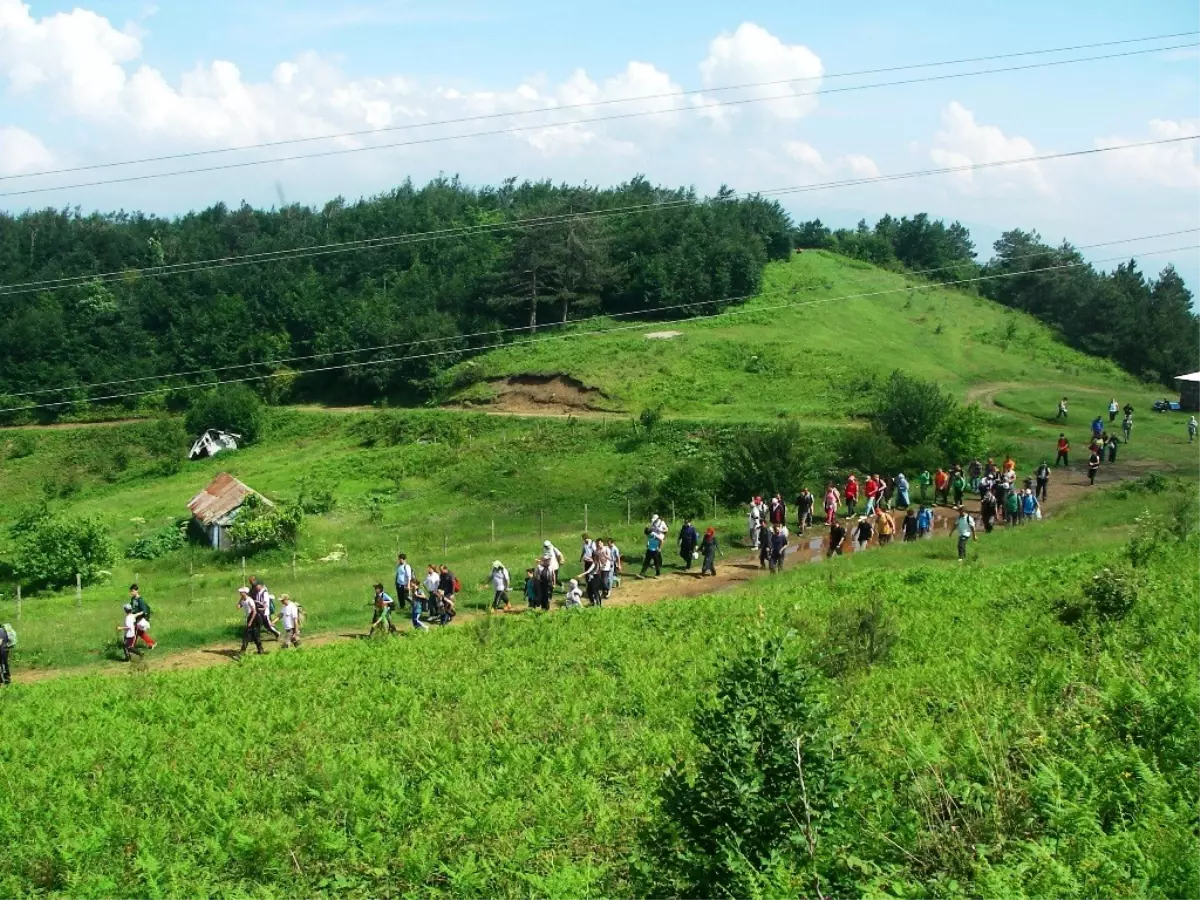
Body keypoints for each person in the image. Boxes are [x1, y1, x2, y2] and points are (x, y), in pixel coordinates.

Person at [237, 588, 264, 656]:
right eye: (240, 592)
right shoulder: (243, 600)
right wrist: (240, 600)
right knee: (254, 635)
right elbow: (237, 607)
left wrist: (250, 622)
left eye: (241, 592)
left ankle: (242, 651)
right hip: (249, 618)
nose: (240, 593)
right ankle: (260, 649)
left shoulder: (250, 600)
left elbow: (254, 612)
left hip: (254, 618)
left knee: (249, 634)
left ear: (245, 593)